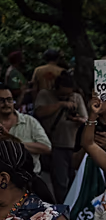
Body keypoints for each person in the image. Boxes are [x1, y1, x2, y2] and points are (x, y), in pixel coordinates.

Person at [33, 71, 86, 202]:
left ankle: (73, 205)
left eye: (68, 94)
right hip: (55, 144)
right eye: (63, 94)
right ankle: (62, 206)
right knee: (60, 181)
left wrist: (78, 119)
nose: (66, 96)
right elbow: (39, 112)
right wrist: (60, 105)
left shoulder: (76, 97)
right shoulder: (45, 95)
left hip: (73, 144)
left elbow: (85, 118)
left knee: (75, 179)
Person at [0, 83, 51, 175]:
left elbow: (46, 148)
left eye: (9, 100)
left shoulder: (29, 121)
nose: (6, 104)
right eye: (1, 100)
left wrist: (11, 141)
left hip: (29, 178)